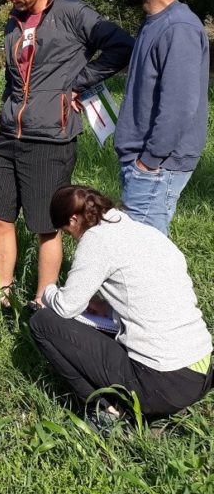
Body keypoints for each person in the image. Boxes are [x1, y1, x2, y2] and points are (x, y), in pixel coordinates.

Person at [0, 0, 134, 307]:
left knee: (46, 226)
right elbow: (15, 76)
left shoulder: (73, 12)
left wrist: (79, 83)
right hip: (8, 134)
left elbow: (122, 46)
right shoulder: (14, 21)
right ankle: (3, 296)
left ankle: (42, 301)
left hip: (51, 138)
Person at [30, 185, 212, 432]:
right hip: (199, 369)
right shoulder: (146, 232)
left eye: (67, 231)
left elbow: (65, 308)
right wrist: (104, 306)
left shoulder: (97, 240)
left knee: (42, 322)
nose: (73, 237)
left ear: (73, 220)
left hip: (163, 382)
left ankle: (105, 412)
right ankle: (161, 404)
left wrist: (47, 291)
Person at [114, 0, 209, 235]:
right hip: (143, 159)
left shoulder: (179, 28)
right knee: (139, 248)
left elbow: (179, 106)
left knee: (145, 253)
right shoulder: (154, 23)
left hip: (156, 165)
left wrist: (149, 161)